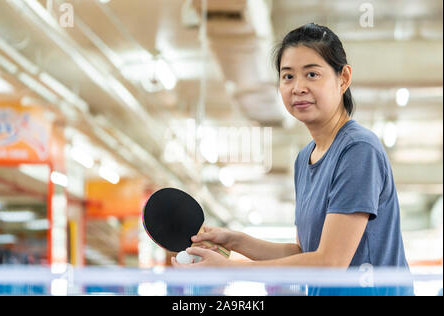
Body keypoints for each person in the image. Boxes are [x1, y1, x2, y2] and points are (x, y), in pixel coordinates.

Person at [172, 23, 414, 296]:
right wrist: (235, 240)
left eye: (312, 74)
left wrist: (229, 270)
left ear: (343, 78)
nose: (298, 87)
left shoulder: (358, 149)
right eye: (288, 77)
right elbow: (304, 252)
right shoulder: (304, 159)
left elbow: (331, 263)